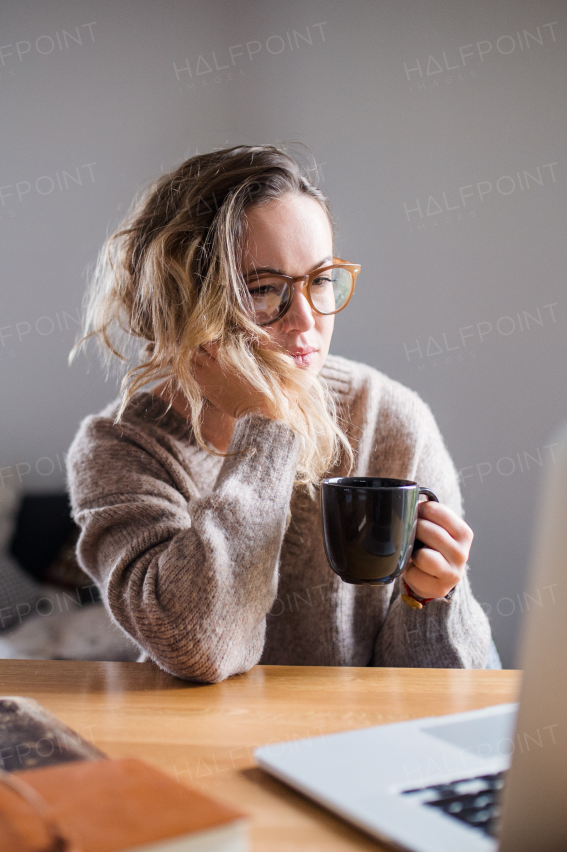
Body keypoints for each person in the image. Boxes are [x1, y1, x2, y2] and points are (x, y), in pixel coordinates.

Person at [67, 146, 499, 683]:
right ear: (184, 300)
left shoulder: (388, 416)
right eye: (265, 288)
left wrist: (430, 598)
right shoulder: (120, 449)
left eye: (320, 280)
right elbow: (200, 648)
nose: (305, 320)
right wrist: (266, 423)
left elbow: (438, 690)